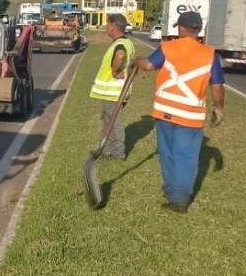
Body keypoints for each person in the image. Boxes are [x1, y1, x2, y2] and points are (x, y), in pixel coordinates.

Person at [130, 11, 225, 213]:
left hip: (165, 113)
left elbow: (147, 65)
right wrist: (219, 108)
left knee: (167, 154)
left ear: (181, 28)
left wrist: (136, 60)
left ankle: (173, 193)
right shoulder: (210, 55)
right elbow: (217, 85)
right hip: (190, 117)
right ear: (198, 30)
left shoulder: (167, 47)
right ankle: (179, 198)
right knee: (186, 158)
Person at [89, 13, 135, 159]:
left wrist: (115, 72)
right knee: (108, 120)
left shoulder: (120, 44)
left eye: (108, 25)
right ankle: (107, 150)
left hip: (113, 91)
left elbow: (120, 55)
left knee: (114, 121)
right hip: (115, 91)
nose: (106, 28)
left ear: (114, 26)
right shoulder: (127, 42)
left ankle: (118, 151)